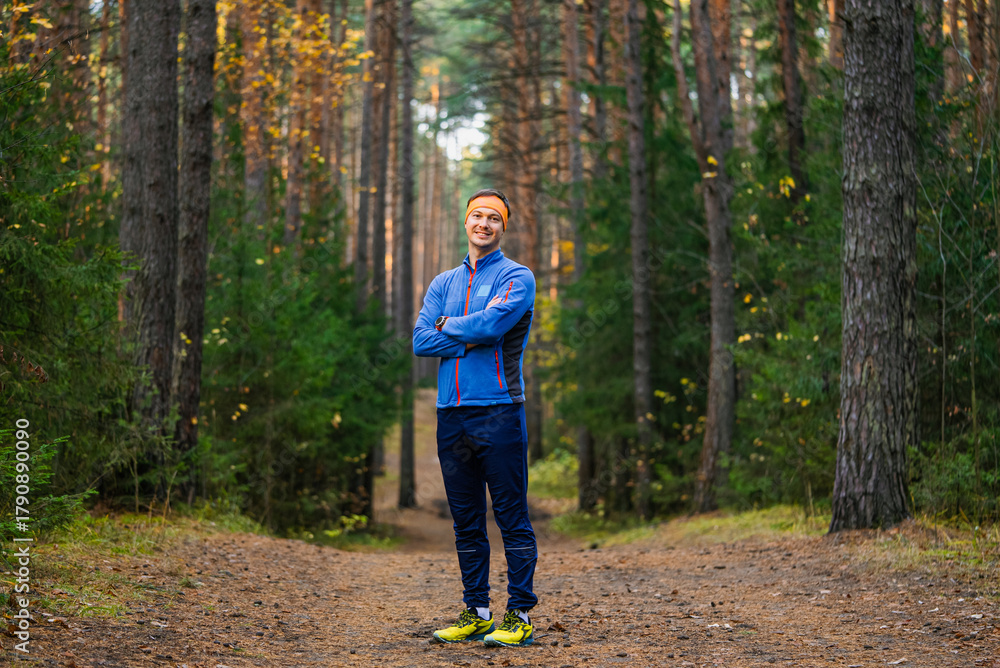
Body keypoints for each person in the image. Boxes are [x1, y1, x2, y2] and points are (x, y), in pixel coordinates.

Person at [412, 188, 537, 648]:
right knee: (465, 521)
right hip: (452, 416)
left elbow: (491, 326)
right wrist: (465, 333)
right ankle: (477, 610)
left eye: (493, 218)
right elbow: (420, 341)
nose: (484, 223)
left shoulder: (517, 277)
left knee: (510, 517)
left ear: (504, 227)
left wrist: (449, 326)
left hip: (500, 411)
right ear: (465, 222)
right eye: (477, 216)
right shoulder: (443, 282)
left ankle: (519, 613)